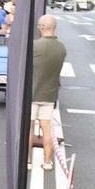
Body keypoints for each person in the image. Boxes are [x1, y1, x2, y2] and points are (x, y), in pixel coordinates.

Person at [30, 14, 67, 172]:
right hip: (50, 93)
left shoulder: (35, 46)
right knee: (47, 128)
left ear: (42, 27)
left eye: (39, 26)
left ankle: (28, 161)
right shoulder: (61, 47)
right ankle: (47, 161)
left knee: (29, 128)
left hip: (32, 93)